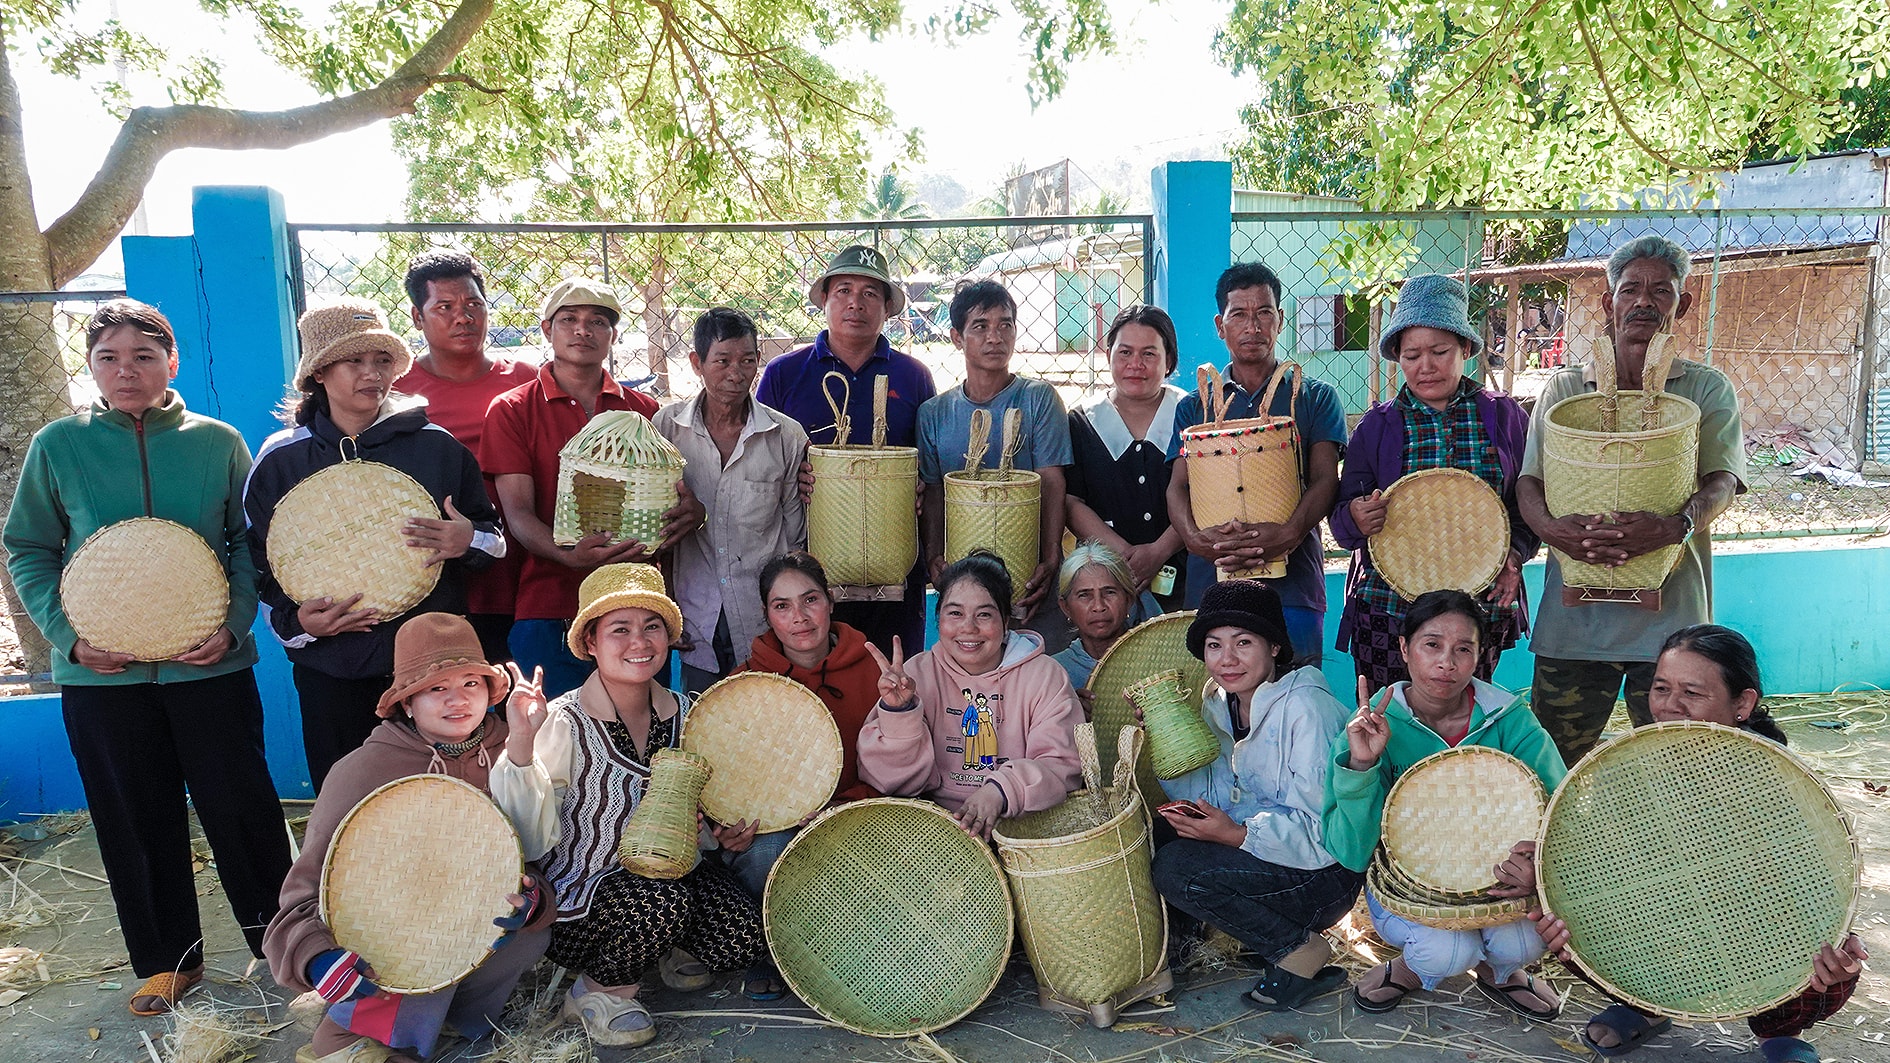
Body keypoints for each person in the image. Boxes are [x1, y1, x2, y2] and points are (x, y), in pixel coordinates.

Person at [2, 300, 292, 1018]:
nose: (125, 371)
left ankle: (283, 944)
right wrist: (69, 637)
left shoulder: (217, 442)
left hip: (211, 666)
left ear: (173, 362)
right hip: (102, 675)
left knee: (243, 804)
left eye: (141, 356)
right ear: (91, 366)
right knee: (133, 813)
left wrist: (229, 625)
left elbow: (246, 545)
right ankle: (168, 961)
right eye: (107, 357)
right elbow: (28, 548)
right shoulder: (58, 445)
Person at [1531, 625, 1867, 1060]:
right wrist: (1544, 875)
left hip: (1751, 937)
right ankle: (1644, 1004)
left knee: (1832, 962)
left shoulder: (1780, 784)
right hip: (1662, 928)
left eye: (1692, 692)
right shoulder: (1624, 769)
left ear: (1742, 703)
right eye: (1661, 688)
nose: (1669, 706)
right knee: (1564, 921)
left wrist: (1837, 932)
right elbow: (1595, 864)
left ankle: (1777, 1034)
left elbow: (1818, 885)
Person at [489, 564, 763, 1048]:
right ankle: (599, 991)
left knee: (741, 934)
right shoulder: (562, 721)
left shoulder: (688, 713)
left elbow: (698, 814)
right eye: (620, 629)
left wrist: (718, 835)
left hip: (667, 878)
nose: (639, 641)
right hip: (581, 898)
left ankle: (661, 945)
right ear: (590, 643)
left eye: (651, 627)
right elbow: (527, 836)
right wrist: (522, 743)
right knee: (662, 903)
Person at [263, 613, 553, 1063]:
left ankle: (453, 1018)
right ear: (407, 702)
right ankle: (364, 1031)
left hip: (471, 928)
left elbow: (535, 855)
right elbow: (302, 894)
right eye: (437, 688)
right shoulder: (363, 771)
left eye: (471, 684)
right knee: (416, 939)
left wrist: (534, 898)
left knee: (529, 935)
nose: (457, 700)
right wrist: (315, 957)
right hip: (394, 939)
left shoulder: (513, 751)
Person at [246, 298, 504, 791]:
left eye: (382, 360)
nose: (372, 374)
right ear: (318, 372)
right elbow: (259, 569)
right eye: (354, 361)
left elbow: (494, 541)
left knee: (443, 802)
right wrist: (299, 624)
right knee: (346, 801)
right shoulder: (280, 462)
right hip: (332, 670)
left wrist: (465, 538)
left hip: (432, 676)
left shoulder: (436, 448)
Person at [1519, 234, 1746, 764]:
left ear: (1682, 304)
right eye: (1630, 289)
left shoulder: (1707, 389)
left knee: (1676, 765)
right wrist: (1552, 532)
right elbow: (1530, 484)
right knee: (1553, 765)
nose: (1644, 301)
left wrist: (1676, 526)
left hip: (1671, 629)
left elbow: (1723, 481)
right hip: (1574, 624)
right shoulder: (1565, 389)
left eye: (1661, 291)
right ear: (1609, 302)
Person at [1322, 590, 1565, 1019]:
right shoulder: (1370, 727)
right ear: (1404, 648)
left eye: (1463, 649)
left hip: (1498, 880)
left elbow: (1559, 807)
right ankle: (1413, 968)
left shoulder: (1508, 719)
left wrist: (1538, 868)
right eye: (1431, 645)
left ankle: (1501, 970)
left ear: (1479, 655)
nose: (1446, 663)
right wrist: (1362, 764)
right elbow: (1351, 852)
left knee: (1524, 941)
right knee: (1447, 951)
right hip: (1410, 888)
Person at [482, 278, 703, 698]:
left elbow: (666, 507)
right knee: (555, 741)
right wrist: (570, 555)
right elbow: (519, 516)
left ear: (613, 335)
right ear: (547, 330)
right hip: (551, 605)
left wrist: (694, 514)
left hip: (634, 609)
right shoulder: (513, 409)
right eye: (569, 319)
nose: (582, 330)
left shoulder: (644, 411)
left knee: (639, 737)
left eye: (597, 322)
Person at [1149, 579, 1357, 1011]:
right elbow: (1210, 791)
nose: (1227, 660)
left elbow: (1325, 833)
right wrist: (1165, 731)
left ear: (1275, 647)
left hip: (1324, 876)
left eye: (1243, 642)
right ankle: (1204, 943)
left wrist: (1237, 835)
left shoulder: (1306, 709)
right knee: (1161, 833)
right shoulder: (1219, 702)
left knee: (1177, 868)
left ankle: (1296, 948)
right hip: (1270, 860)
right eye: (1214, 645)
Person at [1330, 274, 1538, 687]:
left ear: (1465, 348)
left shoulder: (1503, 417)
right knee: (1389, 720)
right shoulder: (1377, 426)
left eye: (1440, 351)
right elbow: (1341, 521)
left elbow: (1527, 505)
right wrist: (1357, 515)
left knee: (1464, 717)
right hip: (1390, 608)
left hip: (1479, 606)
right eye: (1411, 356)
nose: (1425, 366)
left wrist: (1512, 556)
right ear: (1398, 358)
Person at [755, 245, 938, 656]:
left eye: (871, 293)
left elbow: (926, 463)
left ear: (888, 308)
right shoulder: (784, 373)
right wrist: (794, 477)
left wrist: (918, 487)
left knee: (894, 672)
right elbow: (763, 460)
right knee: (814, 675)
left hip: (892, 565)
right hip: (810, 562)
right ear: (824, 300)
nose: (856, 303)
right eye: (844, 290)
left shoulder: (913, 377)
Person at [1166, 263, 1347, 665]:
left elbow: (1324, 480)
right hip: (1212, 581)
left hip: (1293, 584)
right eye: (1239, 315)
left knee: (1297, 698)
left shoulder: (1315, 398)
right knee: (1216, 708)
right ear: (1220, 325)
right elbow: (1178, 486)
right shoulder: (1194, 406)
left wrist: (1289, 533)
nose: (1253, 327)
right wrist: (1197, 541)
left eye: (1265, 312)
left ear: (1280, 320)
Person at [726, 550, 884, 1000]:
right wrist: (726, 826)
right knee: (763, 851)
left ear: (831, 602)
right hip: (776, 827)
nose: (799, 617)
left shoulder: (877, 670)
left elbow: (900, 764)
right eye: (782, 606)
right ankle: (764, 948)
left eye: (810, 600)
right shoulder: (745, 683)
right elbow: (726, 776)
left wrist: (843, 806)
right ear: (767, 615)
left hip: (857, 813)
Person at [856, 550, 1083, 840]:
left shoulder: (1044, 675)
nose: (969, 628)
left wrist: (1001, 790)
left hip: (1020, 831)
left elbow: (1063, 766)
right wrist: (899, 713)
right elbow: (889, 781)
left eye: (984, 614)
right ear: (938, 621)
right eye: (955, 613)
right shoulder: (917, 674)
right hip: (933, 830)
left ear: (1005, 623)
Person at [653, 308, 808, 692]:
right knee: (701, 720)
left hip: (762, 616)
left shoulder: (785, 436)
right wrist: (668, 605)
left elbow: (796, 539)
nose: (736, 374)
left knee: (766, 724)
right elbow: (658, 530)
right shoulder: (667, 428)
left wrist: (789, 610)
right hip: (697, 614)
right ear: (697, 363)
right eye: (722, 361)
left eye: (748, 361)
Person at [396, 249, 536, 661]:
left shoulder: (525, 381)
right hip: (438, 582)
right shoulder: (397, 392)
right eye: (445, 307)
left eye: (474, 304)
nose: (464, 317)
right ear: (417, 318)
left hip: (526, 578)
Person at [917, 280, 1071, 624]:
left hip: (1026, 571)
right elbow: (933, 490)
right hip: (962, 575)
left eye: (1005, 325)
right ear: (957, 337)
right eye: (980, 327)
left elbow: (1052, 481)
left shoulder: (1039, 399)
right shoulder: (934, 413)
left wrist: (1050, 557)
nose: (995, 337)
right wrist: (934, 555)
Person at [1067, 304, 1188, 616]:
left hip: (1187, 577)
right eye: (1125, 353)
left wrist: (1159, 551)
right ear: (1109, 355)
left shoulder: (1192, 414)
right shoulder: (1082, 421)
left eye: (1149, 354)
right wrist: (1124, 556)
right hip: (1105, 583)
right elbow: (1071, 502)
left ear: (1169, 360)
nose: (1136, 364)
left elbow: (1205, 495)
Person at [1050, 541, 1137, 696]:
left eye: (1109, 592)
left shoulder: (1156, 659)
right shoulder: (1053, 672)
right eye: (1084, 595)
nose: (1098, 606)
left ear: (1128, 600)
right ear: (1066, 607)